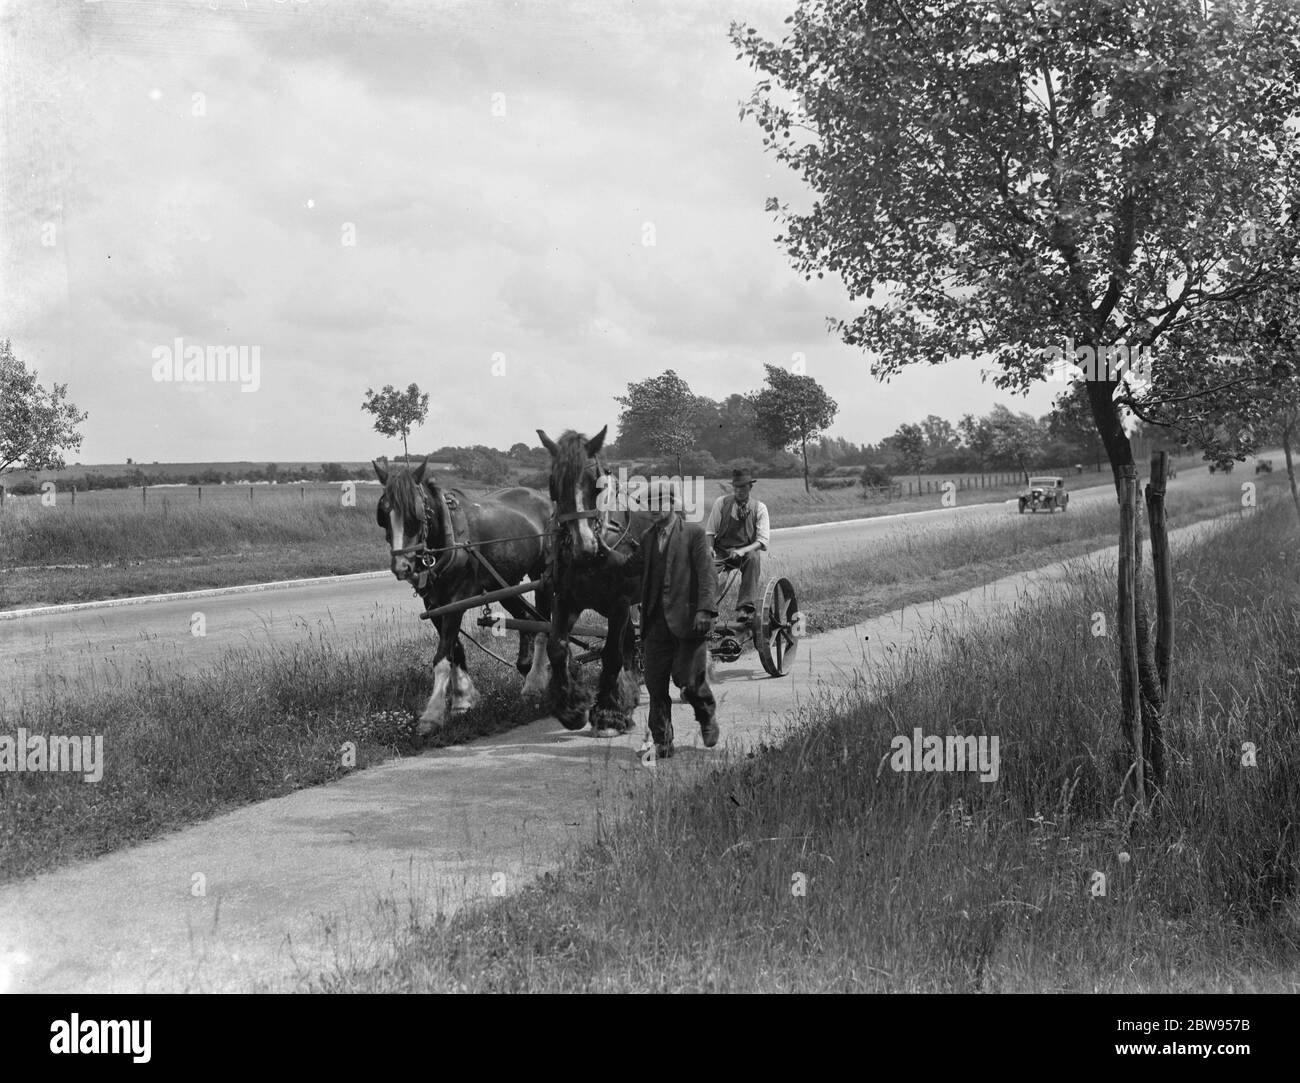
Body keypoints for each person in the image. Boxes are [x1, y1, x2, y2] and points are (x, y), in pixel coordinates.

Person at [638, 478, 718, 759]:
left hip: (687, 623)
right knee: (655, 685)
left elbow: (707, 574)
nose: (653, 509)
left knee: (690, 682)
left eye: (659, 503)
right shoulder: (648, 538)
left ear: (672, 504)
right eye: (649, 504)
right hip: (655, 625)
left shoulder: (693, 534)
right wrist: (600, 556)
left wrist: (705, 610)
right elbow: (631, 569)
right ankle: (662, 740)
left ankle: (706, 717)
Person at [704, 468, 770, 619]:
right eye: (737, 487)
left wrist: (743, 551)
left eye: (743, 487)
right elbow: (710, 531)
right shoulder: (721, 503)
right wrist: (709, 548)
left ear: (750, 487)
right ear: (733, 487)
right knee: (706, 568)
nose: (739, 491)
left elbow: (762, 541)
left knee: (753, 558)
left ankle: (745, 608)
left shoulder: (759, 508)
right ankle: (707, 610)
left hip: (746, 552)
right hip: (721, 550)